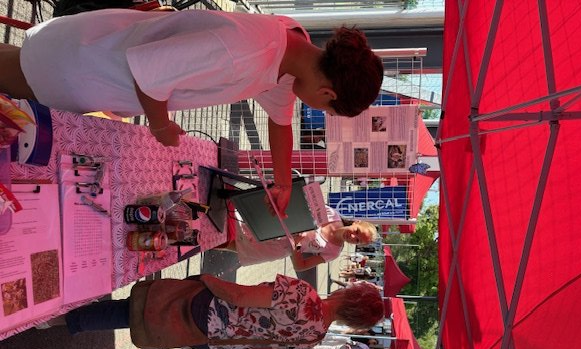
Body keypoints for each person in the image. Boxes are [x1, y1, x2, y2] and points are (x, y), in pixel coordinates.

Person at [0, 9, 383, 214]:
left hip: (91, 64)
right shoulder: (243, 52)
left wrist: (283, 183)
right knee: (10, 75)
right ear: (327, 92)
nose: (314, 108)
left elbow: (281, 119)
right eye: (327, 109)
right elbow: (148, 74)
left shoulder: (294, 51)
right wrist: (161, 126)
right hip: (80, 66)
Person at [42, 274, 384, 349]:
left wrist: (206, 278)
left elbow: (238, 296)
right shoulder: (314, 339)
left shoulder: (304, 294)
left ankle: (59, 316)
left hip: (207, 307)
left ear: (350, 294)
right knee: (139, 319)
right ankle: (68, 317)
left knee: (134, 310)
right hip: (210, 340)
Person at [222, 205, 378, 270]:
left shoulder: (334, 252)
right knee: (230, 222)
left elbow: (300, 266)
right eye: (357, 231)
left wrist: (296, 246)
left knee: (227, 244)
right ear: (356, 222)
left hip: (277, 248)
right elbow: (301, 206)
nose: (352, 236)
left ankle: (207, 243)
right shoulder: (331, 213)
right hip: (275, 226)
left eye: (357, 240)